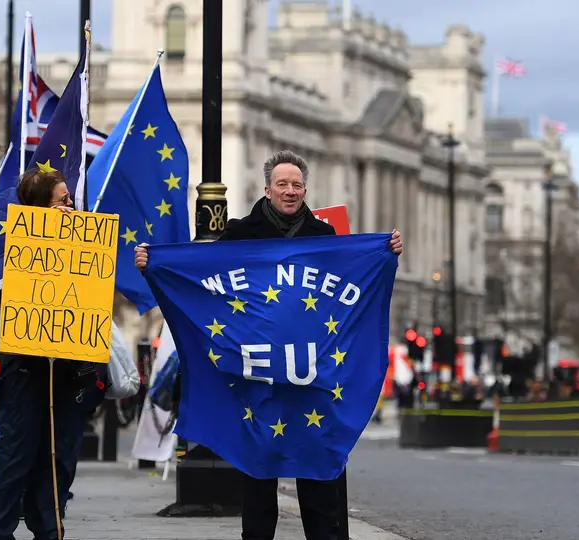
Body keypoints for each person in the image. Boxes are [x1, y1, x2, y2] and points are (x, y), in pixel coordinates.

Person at [133, 150, 403, 540]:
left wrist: (385, 251)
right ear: (268, 189)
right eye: (282, 184)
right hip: (257, 376)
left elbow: (354, 277)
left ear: (305, 190)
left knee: (318, 470)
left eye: (297, 185)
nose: (290, 191)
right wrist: (154, 264)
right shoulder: (240, 233)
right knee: (258, 475)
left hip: (310, 378)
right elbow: (202, 275)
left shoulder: (325, 237)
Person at [0, 169, 105, 540]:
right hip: (25, 368)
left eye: (70, 199)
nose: (71, 205)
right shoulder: (9, 246)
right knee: (16, 453)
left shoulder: (84, 242)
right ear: (40, 207)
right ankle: (0, 531)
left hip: (69, 368)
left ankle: (48, 527)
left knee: (58, 456)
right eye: (62, 200)